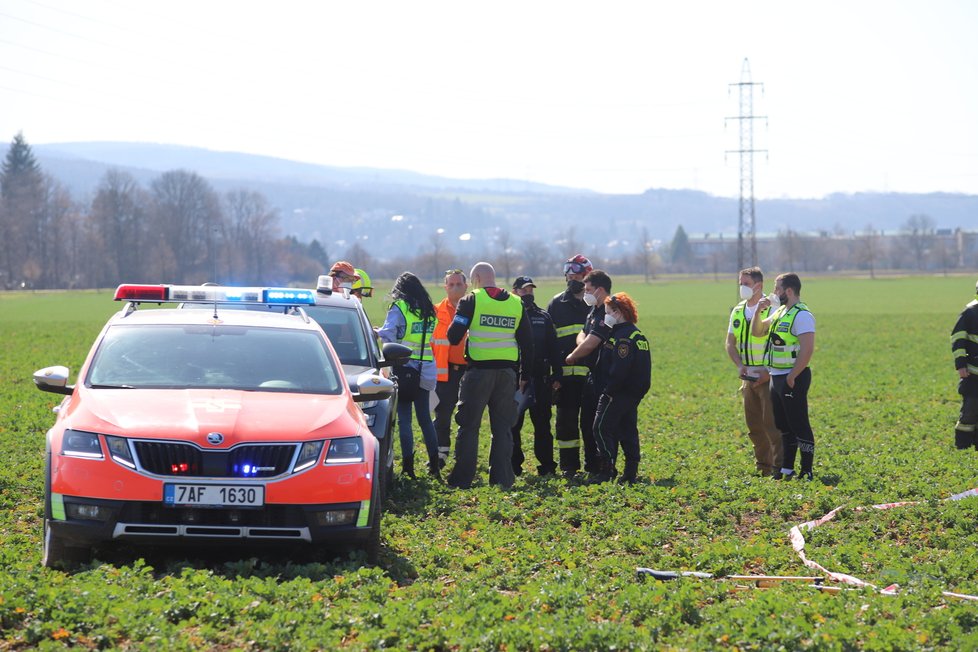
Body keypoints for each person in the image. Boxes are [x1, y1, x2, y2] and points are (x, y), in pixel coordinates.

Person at [446, 262, 534, 489]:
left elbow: (453, 336)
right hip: (507, 374)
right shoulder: (517, 303)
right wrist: (525, 374)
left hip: (478, 373)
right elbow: (527, 343)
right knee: (503, 428)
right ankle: (503, 479)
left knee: (468, 426)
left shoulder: (471, 300)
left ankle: (462, 480)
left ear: (475, 278)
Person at [376, 272, 441, 480]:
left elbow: (388, 335)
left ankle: (408, 467)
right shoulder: (430, 309)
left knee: (405, 419)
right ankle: (434, 465)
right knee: (425, 418)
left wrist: (377, 332)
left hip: (405, 369)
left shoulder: (400, 307)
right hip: (428, 368)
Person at [752, 272, 817, 480]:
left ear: (789, 291)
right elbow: (758, 331)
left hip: (792, 377)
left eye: (777, 288)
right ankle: (787, 468)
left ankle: (806, 470)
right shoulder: (780, 311)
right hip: (776, 376)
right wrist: (758, 311)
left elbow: (807, 349)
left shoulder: (802, 315)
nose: (774, 292)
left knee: (799, 424)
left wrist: (793, 376)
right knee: (783, 425)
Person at [725, 266, 782, 476]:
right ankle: (763, 468)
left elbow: (779, 344)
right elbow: (730, 343)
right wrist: (740, 366)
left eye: (746, 284)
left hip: (768, 377)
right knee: (754, 428)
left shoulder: (773, 308)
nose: (742, 287)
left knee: (773, 426)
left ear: (759, 285)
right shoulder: (738, 310)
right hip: (748, 378)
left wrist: (767, 372)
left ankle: (779, 469)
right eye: (740, 283)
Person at [589, 293, 651, 483]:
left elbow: (620, 369)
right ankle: (630, 473)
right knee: (627, 430)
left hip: (617, 393)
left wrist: (608, 391)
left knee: (600, 428)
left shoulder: (623, 338)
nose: (605, 316)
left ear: (617, 312)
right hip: (632, 395)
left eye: (607, 312)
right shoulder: (636, 334)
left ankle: (607, 470)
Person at [547, 254, 596, 477]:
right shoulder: (557, 304)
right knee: (565, 425)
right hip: (565, 378)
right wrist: (554, 375)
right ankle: (569, 467)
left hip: (592, 377)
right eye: (569, 275)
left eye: (577, 276)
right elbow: (550, 342)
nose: (571, 279)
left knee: (592, 424)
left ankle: (595, 466)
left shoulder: (599, 305)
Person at [563, 269, 614, 479]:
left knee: (601, 426)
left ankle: (606, 468)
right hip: (592, 375)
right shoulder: (593, 311)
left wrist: (572, 356)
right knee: (587, 423)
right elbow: (583, 334)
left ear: (600, 290)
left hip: (606, 376)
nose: (585, 293)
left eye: (589, 289)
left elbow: (592, 342)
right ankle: (592, 466)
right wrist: (583, 343)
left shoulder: (609, 312)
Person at [509, 276, 559, 476]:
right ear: (514, 292)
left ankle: (547, 466)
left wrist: (557, 373)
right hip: (516, 380)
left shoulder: (543, 317)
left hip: (540, 379)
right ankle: (514, 466)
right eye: (524, 290)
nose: (528, 294)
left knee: (542, 426)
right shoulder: (510, 315)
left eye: (530, 290)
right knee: (513, 425)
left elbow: (553, 347)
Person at [431, 269, 469, 467]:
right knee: (442, 416)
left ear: (466, 286)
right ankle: (440, 455)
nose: (455, 288)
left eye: (459, 284)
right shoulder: (435, 312)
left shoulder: (474, 308)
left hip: (471, 372)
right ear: (445, 287)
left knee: (468, 418)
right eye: (451, 284)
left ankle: (464, 457)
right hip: (445, 374)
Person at [951, 280, 978, 450]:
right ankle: (962, 446)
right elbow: (958, 339)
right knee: (970, 410)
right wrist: (961, 365)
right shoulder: (970, 312)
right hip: (973, 374)